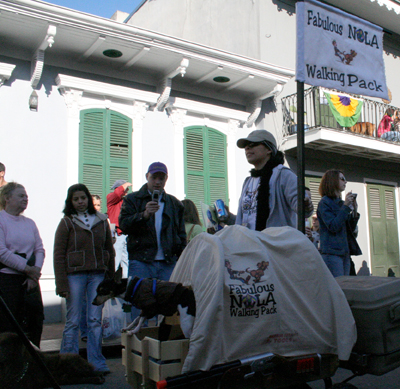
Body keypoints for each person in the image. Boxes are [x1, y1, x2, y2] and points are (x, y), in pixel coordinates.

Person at [54, 184, 115, 373]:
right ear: (70, 202)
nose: (80, 202)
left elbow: (109, 250)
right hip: (75, 275)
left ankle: (96, 362)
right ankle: (68, 363)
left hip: (97, 274)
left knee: (95, 320)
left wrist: (111, 278)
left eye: (83, 198)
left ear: (88, 199)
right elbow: (58, 254)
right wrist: (61, 283)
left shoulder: (101, 220)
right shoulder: (67, 222)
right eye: (76, 199)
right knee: (72, 320)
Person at [119, 161, 186, 283]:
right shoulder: (132, 199)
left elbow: (181, 234)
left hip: (168, 262)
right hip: (141, 261)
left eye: (161, 178)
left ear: (166, 179)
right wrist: (143, 215)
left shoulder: (175, 204)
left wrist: (181, 258)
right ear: (147, 177)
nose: (157, 182)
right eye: (154, 178)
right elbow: (123, 225)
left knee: (167, 299)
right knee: (140, 298)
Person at [235, 129, 313, 230]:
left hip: (273, 244)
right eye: (246, 145)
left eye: (254, 144)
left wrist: (306, 205)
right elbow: (247, 220)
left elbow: (304, 210)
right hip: (250, 243)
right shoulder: (247, 182)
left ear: (269, 149)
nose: (247, 147)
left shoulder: (284, 175)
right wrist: (228, 217)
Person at [0, 183, 45, 344]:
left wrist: (35, 273)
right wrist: (27, 269)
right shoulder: (1, 220)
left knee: (35, 322)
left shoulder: (30, 223)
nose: (25, 199)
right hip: (8, 281)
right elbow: (1, 252)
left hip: (30, 282)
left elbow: (39, 249)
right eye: (21, 195)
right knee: (9, 326)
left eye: (26, 196)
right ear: (7, 198)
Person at [317, 170, 361, 277]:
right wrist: (345, 207)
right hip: (331, 254)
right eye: (342, 179)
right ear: (332, 180)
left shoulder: (341, 203)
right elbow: (333, 226)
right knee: (338, 287)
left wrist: (354, 211)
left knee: (344, 287)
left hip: (344, 253)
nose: (345, 182)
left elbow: (349, 228)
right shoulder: (324, 203)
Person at [107, 180, 132, 279]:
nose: (126, 192)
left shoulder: (124, 201)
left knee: (126, 260)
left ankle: (126, 282)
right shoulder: (111, 197)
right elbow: (117, 193)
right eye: (125, 189)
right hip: (116, 232)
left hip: (124, 233)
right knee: (115, 261)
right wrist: (124, 185)